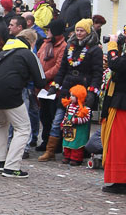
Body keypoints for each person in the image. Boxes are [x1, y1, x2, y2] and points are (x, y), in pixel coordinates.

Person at [0, 27, 47, 177]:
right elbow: (41, 80)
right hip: (10, 93)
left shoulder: (4, 52)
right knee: (23, 129)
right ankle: (12, 166)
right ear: (32, 42)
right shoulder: (27, 54)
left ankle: (2, 162)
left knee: (2, 124)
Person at [40, 18, 103, 161]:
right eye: (77, 30)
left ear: (88, 32)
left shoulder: (94, 49)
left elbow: (97, 73)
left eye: (82, 31)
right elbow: (62, 69)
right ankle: (51, 150)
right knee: (59, 120)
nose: (79, 33)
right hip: (67, 88)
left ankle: (79, 152)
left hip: (83, 90)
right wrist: (55, 85)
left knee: (80, 122)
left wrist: (92, 91)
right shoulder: (70, 46)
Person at [35, 20, 66, 150]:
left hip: (52, 87)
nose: (47, 32)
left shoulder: (63, 46)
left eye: (49, 30)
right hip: (42, 86)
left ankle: (55, 143)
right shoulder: (45, 44)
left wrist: (44, 76)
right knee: (44, 116)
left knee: (53, 116)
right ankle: (45, 140)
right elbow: (38, 58)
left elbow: (58, 67)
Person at [101, 31, 126, 193]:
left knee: (119, 142)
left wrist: (112, 47)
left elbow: (117, 65)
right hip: (119, 101)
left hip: (122, 104)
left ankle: (121, 179)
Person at [60, 85, 91, 166]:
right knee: (67, 142)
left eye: (73, 96)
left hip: (78, 130)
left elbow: (86, 119)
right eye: (70, 95)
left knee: (76, 144)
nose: (71, 97)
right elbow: (66, 115)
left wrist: (77, 120)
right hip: (68, 128)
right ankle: (67, 156)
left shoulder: (86, 109)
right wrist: (63, 123)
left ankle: (76, 158)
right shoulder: (69, 106)